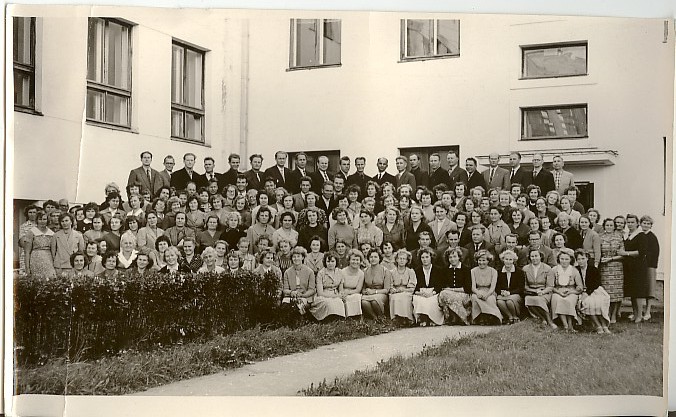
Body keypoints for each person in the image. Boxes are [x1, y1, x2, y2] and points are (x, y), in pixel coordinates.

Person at [576, 249, 611, 334]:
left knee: (600, 302)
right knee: (589, 303)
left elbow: (596, 283)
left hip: (594, 290)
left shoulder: (593, 269)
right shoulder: (576, 270)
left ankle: (604, 325)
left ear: (587, 258)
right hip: (582, 291)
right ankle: (598, 325)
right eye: (579, 259)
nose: (581, 261)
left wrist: (587, 293)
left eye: (583, 258)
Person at [622, 214, 649, 323]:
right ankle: (635, 313)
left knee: (638, 292)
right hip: (629, 267)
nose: (630, 224)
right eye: (628, 222)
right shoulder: (628, 235)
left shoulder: (641, 235)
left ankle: (639, 315)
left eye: (632, 222)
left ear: (637, 223)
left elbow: (641, 252)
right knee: (632, 291)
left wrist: (626, 253)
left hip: (638, 267)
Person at [548, 248, 583, 331]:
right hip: (557, 291)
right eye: (562, 259)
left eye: (566, 259)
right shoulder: (553, 270)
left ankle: (570, 325)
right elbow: (550, 286)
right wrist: (559, 293)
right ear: (558, 259)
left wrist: (572, 291)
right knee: (558, 299)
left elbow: (580, 287)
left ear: (570, 260)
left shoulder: (574, 271)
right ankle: (565, 325)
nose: (564, 261)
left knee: (569, 301)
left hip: (571, 291)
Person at [598, 218, 625, 324]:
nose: (609, 227)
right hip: (604, 268)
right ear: (604, 226)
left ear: (614, 227)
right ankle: (607, 313)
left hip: (616, 267)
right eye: (607, 225)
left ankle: (614, 315)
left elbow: (622, 254)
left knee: (617, 292)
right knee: (606, 292)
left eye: (611, 225)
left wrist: (611, 259)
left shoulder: (619, 238)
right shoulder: (600, 237)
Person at [411, 248, 445, 326]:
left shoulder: (438, 270)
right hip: (421, 293)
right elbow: (415, 286)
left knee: (432, 301)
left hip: (433, 292)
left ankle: (432, 319)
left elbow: (440, 285)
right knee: (418, 300)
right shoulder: (416, 270)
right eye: (422, 257)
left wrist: (432, 293)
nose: (425, 259)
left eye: (427, 257)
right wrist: (420, 293)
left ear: (431, 257)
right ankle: (423, 319)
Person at [522, 248, 556, 328]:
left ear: (540, 256)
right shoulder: (525, 269)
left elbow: (550, 286)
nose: (534, 258)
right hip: (531, 292)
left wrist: (542, 292)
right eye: (532, 256)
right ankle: (542, 318)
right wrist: (533, 291)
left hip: (545, 292)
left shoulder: (547, 268)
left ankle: (549, 321)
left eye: (536, 256)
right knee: (528, 299)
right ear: (529, 257)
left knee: (539, 299)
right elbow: (525, 286)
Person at [438, 247, 472, 325]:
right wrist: (448, 290)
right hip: (448, 294)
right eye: (450, 257)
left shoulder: (466, 269)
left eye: (455, 256)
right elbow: (442, 286)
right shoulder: (445, 269)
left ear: (459, 257)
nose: (452, 259)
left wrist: (452, 290)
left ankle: (459, 317)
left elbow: (467, 288)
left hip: (463, 294)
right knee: (444, 294)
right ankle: (455, 317)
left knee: (449, 295)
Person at [470, 250, 502, 325]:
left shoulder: (493, 271)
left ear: (488, 261)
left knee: (490, 299)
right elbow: (473, 287)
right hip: (477, 291)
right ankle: (480, 317)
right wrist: (477, 293)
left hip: (489, 292)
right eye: (479, 260)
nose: (481, 262)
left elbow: (493, 287)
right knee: (475, 298)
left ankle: (491, 316)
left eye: (484, 260)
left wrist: (487, 294)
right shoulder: (473, 271)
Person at [282, 246, 316, 315]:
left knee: (298, 306)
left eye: (298, 256)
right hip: (291, 296)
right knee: (285, 306)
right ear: (291, 258)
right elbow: (285, 289)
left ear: (302, 257)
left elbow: (312, 289)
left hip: (305, 296)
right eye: (294, 257)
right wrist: (292, 292)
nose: (296, 258)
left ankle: (300, 319)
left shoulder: (310, 272)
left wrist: (303, 295)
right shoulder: (287, 272)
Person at [24, 210, 57, 278]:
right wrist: (27, 268)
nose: (42, 221)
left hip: (48, 260)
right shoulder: (31, 232)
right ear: (37, 220)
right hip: (35, 259)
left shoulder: (52, 233)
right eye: (40, 219)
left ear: (47, 220)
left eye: (44, 219)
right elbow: (27, 252)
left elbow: (53, 251)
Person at [495, 249, 525, 324]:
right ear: (503, 260)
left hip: (515, 294)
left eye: (510, 259)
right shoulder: (499, 272)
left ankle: (515, 316)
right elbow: (497, 286)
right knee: (499, 301)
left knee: (509, 301)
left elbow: (521, 288)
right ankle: (510, 317)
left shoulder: (519, 272)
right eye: (506, 259)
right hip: (503, 294)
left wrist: (510, 293)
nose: (508, 261)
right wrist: (501, 292)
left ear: (514, 261)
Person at [361, 249, 391, 319]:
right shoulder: (365, 271)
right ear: (368, 258)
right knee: (364, 302)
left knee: (375, 301)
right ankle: (374, 317)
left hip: (382, 294)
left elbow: (387, 289)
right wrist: (365, 291)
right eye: (371, 257)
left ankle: (381, 316)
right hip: (369, 294)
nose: (373, 259)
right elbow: (363, 287)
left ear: (379, 258)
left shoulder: (385, 271)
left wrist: (374, 292)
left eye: (375, 257)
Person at [640, 215, 659, 320]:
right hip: (640, 267)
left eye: (648, 224)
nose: (646, 225)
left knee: (649, 290)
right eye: (644, 223)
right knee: (640, 289)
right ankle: (638, 311)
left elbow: (654, 253)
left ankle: (647, 312)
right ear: (640, 224)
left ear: (651, 226)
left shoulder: (652, 237)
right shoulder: (639, 235)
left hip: (649, 266)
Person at [341, 249, 365, 318]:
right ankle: (346, 316)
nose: (355, 262)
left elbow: (358, 289)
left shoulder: (361, 273)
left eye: (357, 260)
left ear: (360, 261)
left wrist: (348, 292)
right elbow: (340, 286)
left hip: (354, 292)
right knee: (345, 298)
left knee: (356, 297)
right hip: (343, 292)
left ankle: (356, 316)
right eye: (353, 260)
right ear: (349, 260)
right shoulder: (343, 272)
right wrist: (343, 293)